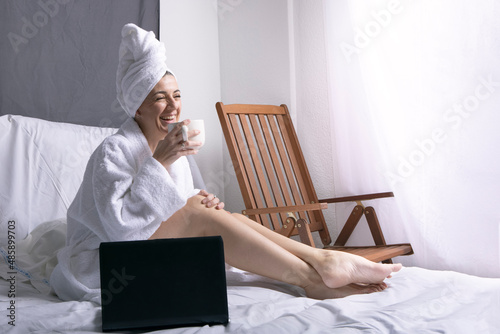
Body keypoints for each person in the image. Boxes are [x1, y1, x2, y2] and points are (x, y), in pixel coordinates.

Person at [50, 23, 401, 304]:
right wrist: (162, 168)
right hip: (103, 262)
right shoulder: (112, 152)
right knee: (200, 215)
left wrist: (201, 202)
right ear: (137, 107)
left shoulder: (171, 145)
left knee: (228, 215)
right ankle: (312, 279)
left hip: (146, 249)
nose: (173, 106)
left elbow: (177, 209)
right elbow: (120, 230)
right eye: (159, 98)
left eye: (177, 95)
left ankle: (321, 259)